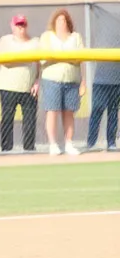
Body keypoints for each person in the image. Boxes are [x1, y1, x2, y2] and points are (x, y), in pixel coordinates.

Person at [39, 9, 85, 156]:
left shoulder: (76, 37)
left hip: (72, 80)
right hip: (52, 79)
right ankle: (53, 144)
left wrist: (59, 57)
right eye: (58, 20)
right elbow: (43, 58)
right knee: (52, 111)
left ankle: (69, 143)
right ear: (54, 22)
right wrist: (68, 58)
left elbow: (80, 58)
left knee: (69, 113)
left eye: (64, 20)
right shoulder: (47, 37)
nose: (61, 23)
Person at [0, 14, 39, 153]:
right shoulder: (5, 40)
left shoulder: (35, 42)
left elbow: (39, 64)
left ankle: (29, 150)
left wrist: (37, 81)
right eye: (18, 25)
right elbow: (4, 61)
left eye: (23, 25)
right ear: (12, 26)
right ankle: (6, 150)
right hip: (8, 87)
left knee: (30, 121)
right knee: (7, 119)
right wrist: (25, 60)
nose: (21, 28)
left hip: (29, 88)